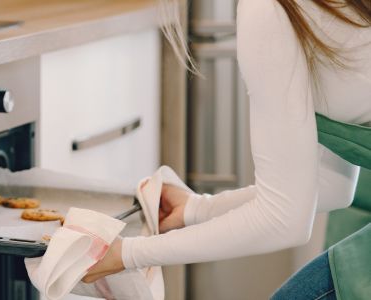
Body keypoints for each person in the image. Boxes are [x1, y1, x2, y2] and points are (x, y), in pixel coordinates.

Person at [82, 0, 371, 299]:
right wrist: (196, 210)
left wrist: (125, 254)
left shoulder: (266, 9)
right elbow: (330, 187)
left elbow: (283, 221)